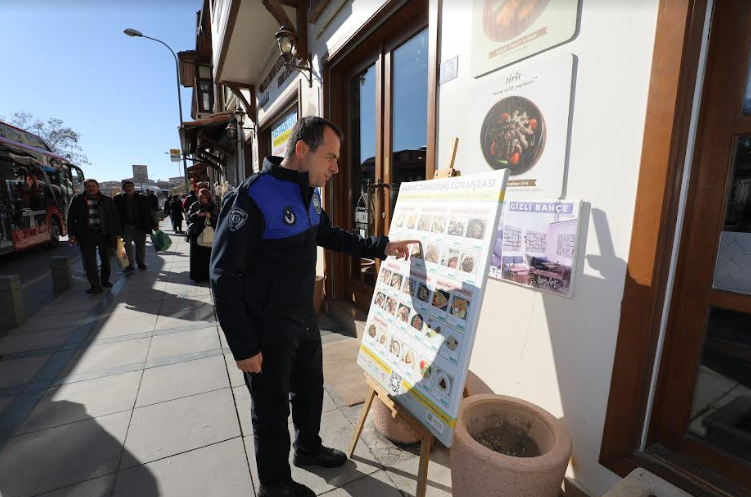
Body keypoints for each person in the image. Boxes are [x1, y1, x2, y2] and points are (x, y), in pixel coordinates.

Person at [210, 117, 416, 497]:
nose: (336, 168)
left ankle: (308, 448)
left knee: (309, 389)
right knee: (271, 410)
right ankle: (274, 485)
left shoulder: (309, 191)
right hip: (266, 329)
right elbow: (223, 274)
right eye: (331, 158)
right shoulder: (254, 195)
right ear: (302, 150)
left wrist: (381, 247)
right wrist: (243, 346)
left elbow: (329, 234)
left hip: (304, 317)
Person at [66, 179, 121, 294]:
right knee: (90, 261)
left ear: (98, 187)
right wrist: (72, 234)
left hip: (104, 234)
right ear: (85, 188)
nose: (91, 188)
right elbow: (70, 218)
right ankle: (95, 286)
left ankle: (105, 281)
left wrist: (118, 233)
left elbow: (115, 217)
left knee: (106, 260)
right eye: (88, 186)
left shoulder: (107, 200)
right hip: (86, 235)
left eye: (93, 186)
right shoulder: (77, 200)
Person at [114, 180, 157, 273]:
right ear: (123, 189)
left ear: (133, 187)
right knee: (127, 247)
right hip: (125, 227)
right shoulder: (118, 199)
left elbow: (148, 213)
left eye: (130, 186)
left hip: (139, 227)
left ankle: (140, 262)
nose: (128, 188)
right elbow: (114, 214)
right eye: (126, 187)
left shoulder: (142, 198)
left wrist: (154, 224)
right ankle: (129, 265)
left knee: (140, 246)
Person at [187, 188, 218, 282]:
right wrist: (196, 214)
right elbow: (188, 218)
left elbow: (219, 219)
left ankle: (209, 276)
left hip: (210, 235)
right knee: (197, 258)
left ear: (209, 197)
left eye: (205, 197)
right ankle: (198, 277)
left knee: (210, 257)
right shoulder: (194, 205)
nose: (203, 199)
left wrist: (211, 216)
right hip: (197, 235)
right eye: (201, 197)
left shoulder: (213, 206)